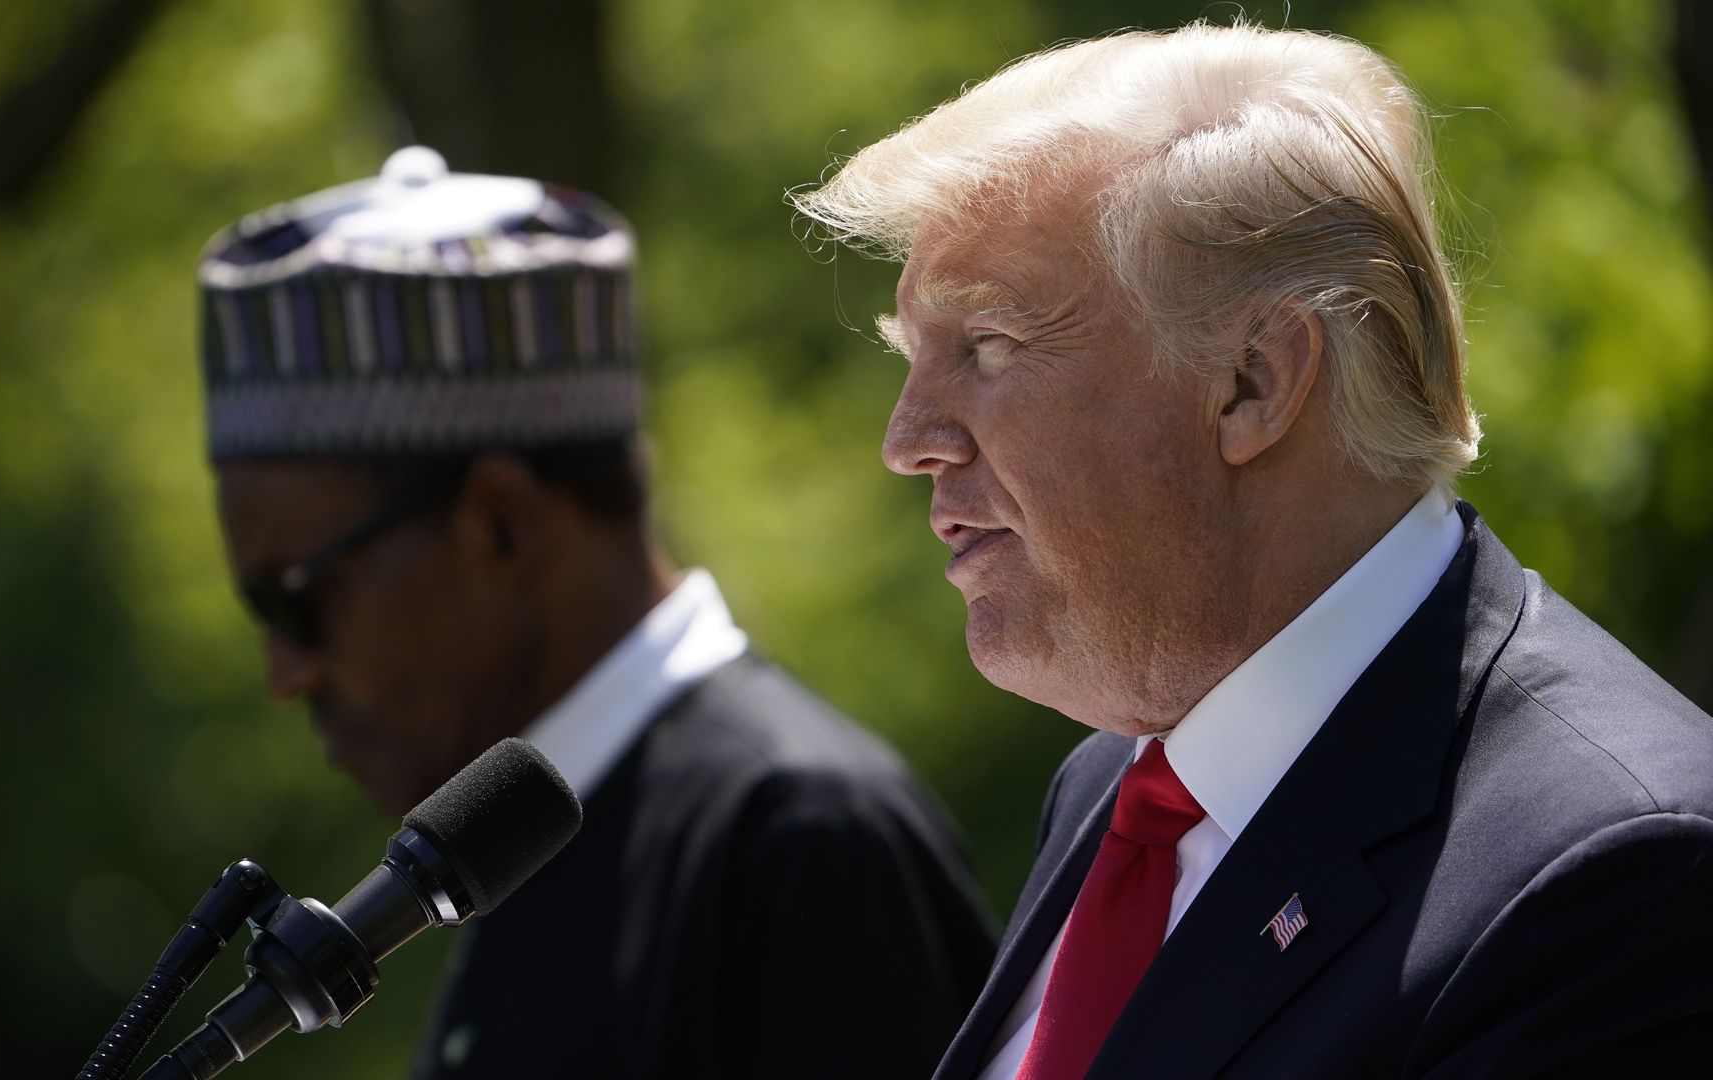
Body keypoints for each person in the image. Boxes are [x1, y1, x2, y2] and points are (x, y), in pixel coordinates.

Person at [790, 21, 1713, 1080]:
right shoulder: (1117, 783)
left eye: (989, 345)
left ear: (1255, 383)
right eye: (915, 358)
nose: (907, 441)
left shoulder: (1620, 877)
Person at [195, 147, 995, 1078]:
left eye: (297, 601)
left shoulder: (800, 838)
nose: (285, 675)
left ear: (500, 525)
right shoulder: (506, 849)